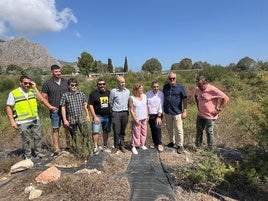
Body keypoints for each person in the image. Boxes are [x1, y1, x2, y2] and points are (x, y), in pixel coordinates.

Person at [6, 75, 45, 159]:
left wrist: (35, 87)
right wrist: (12, 120)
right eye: (25, 83)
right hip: (22, 121)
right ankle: (28, 155)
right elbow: (8, 107)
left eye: (29, 83)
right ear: (20, 83)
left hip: (35, 118)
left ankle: (38, 153)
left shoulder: (32, 91)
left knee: (37, 137)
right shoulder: (14, 93)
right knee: (26, 139)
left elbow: (41, 99)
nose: (27, 85)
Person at [41, 64, 70, 155]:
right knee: (55, 129)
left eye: (59, 71)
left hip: (67, 109)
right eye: (56, 72)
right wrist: (49, 107)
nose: (58, 73)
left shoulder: (66, 82)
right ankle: (57, 148)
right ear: (52, 72)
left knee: (67, 127)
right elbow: (43, 98)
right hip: (55, 110)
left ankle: (69, 146)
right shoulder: (47, 84)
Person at [195, 76, 229, 149]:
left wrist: (219, 109)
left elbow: (226, 98)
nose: (199, 88)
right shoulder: (197, 89)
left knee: (209, 131)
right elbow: (196, 96)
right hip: (200, 114)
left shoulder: (213, 89)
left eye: (200, 86)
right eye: (198, 85)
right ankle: (198, 146)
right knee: (199, 130)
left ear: (205, 84)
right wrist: (198, 106)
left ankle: (210, 147)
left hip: (210, 116)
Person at [60, 78, 90, 150]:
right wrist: (65, 120)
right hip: (71, 119)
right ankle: (77, 150)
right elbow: (63, 107)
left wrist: (87, 115)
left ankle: (85, 149)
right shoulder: (65, 95)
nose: (74, 86)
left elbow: (85, 104)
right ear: (69, 86)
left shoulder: (81, 94)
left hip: (81, 118)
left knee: (85, 134)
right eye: (72, 85)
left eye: (75, 85)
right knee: (74, 136)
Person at [163, 72, 187, 154]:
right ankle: (172, 142)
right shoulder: (165, 87)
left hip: (177, 112)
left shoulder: (180, 87)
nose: (172, 80)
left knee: (179, 129)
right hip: (167, 112)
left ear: (176, 78)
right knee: (169, 128)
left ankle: (180, 145)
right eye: (170, 78)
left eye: (174, 78)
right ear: (168, 79)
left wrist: (185, 111)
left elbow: (185, 99)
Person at [88, 78, 111, 155]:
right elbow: (90, 105)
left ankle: (105, 145)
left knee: (106, 131)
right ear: (97, 85)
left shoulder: (109, 92)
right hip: (97, 116)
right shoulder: (93, 94)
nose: (102, 85)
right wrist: (94, 116)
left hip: (108, 116)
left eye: (103, 84)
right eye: (100, 84)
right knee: (95, 131)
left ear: (105, 84)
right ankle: (95, 147)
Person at [109, 75, 130, 154]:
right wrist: (114, 112)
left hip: (125, 113)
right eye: (121, 82)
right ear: (117, 83)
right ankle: (116, 146)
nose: (122, 84)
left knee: (122, 131)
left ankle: (122, 145)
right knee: (116, 130)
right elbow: (110, 102)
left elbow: (128, 102)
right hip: (116, 113)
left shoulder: (127, 91)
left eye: (123, 82)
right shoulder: (113, 91)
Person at [129, 83, 148, 155]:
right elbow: (131, 110)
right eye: (140, 88)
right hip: (136, 119)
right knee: (136, 133)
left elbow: (146, 106)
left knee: (144, 132)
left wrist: (147, 115)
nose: (142, 90)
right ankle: (133, 146)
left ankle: (141, 144)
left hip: (144, 118)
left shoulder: (145, 96)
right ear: (136, 89)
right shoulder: (132, 98)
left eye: (142, 88)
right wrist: (135, 119)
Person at [146, 81, 164, 152]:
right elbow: (146, 104)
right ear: (152, 87)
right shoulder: (147, 94)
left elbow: (161, 105)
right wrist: (147, 115)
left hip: (158, 114)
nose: (155, 88)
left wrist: (159, 116)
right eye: (154, 87)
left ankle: (159, 144)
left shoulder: (161, 94)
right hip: (150, 114)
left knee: (157, 127)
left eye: (157, 87)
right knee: (152, 129)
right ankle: (155, 143)